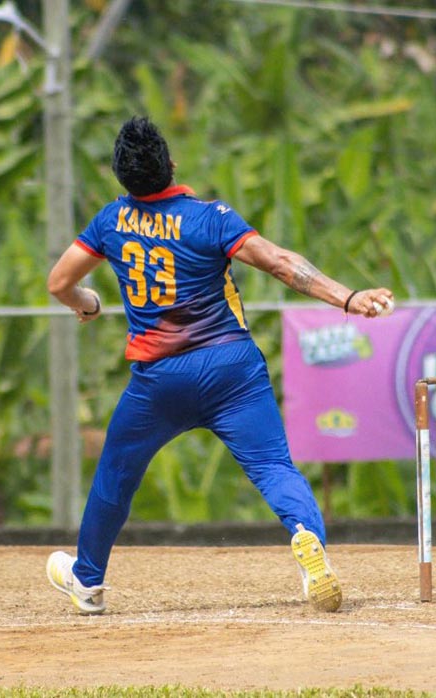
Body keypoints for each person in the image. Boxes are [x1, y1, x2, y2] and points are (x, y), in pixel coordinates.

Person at [44, 116, 395, 614]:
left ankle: (87, 582)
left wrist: (89, 304)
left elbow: (59, 283)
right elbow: (279, 263)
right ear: (170, 164)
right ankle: (306, 538)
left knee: (115, 478)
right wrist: (349, 297)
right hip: (232, 371)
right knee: (273, 468)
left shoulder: (109, 222)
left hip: (159, 381)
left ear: (122, 177)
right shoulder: (210, 218)